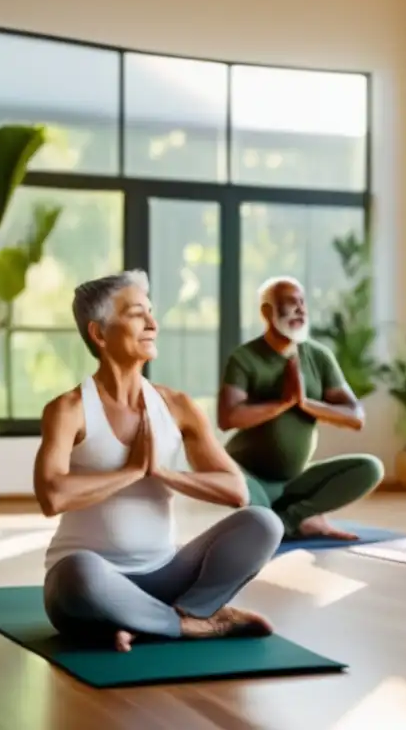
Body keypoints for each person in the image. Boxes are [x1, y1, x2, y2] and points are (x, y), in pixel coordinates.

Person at [33, 271, 283, 653]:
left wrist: (162, 472)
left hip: (167, 574)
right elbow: (52, 496)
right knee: (76, 575)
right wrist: (130, 471)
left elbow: (237, 491)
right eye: (137, 314)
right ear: (99, 334)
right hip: (93, 579)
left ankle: (167, 616)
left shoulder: (177, 406)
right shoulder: (68, 409)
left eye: (151, 312)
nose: (153, 323)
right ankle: (188, 623)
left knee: (264, 523)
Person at [217, 275, 383, 542]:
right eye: (290, 303)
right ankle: (294, 521)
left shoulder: (318, 356)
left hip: (295, 480)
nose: (300, 310)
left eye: (303, 303)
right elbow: (228, 418)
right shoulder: (244, 358)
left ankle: (285, 522)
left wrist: (305, 403)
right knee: (248, 499)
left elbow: (355, 416)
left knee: (370, 468)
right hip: (249, 475)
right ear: (266, 311)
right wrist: (282, 403)